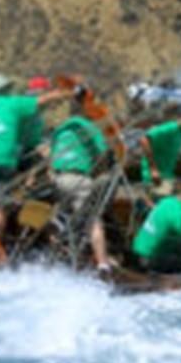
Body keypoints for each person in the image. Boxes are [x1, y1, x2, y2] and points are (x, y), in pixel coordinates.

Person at [0, 73, 75, 231]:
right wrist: (68, 92)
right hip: (2, 162)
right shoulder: (14, 103)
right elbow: (43, 101)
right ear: (6, 90)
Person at [49, 92, 115, 272]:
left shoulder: (61, 128)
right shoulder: (90, 127)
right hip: (78, 179)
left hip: (57, 179)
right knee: (93, 219)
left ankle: (56, 256)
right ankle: (103, 264)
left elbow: (51, 154)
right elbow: (104, 155)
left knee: (60, 214)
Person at [139, 108, 181, 187]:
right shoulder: (171, 128)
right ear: (180, 117)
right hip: (154, 177)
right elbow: (144, 140)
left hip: (167, 175)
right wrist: (153, 169)